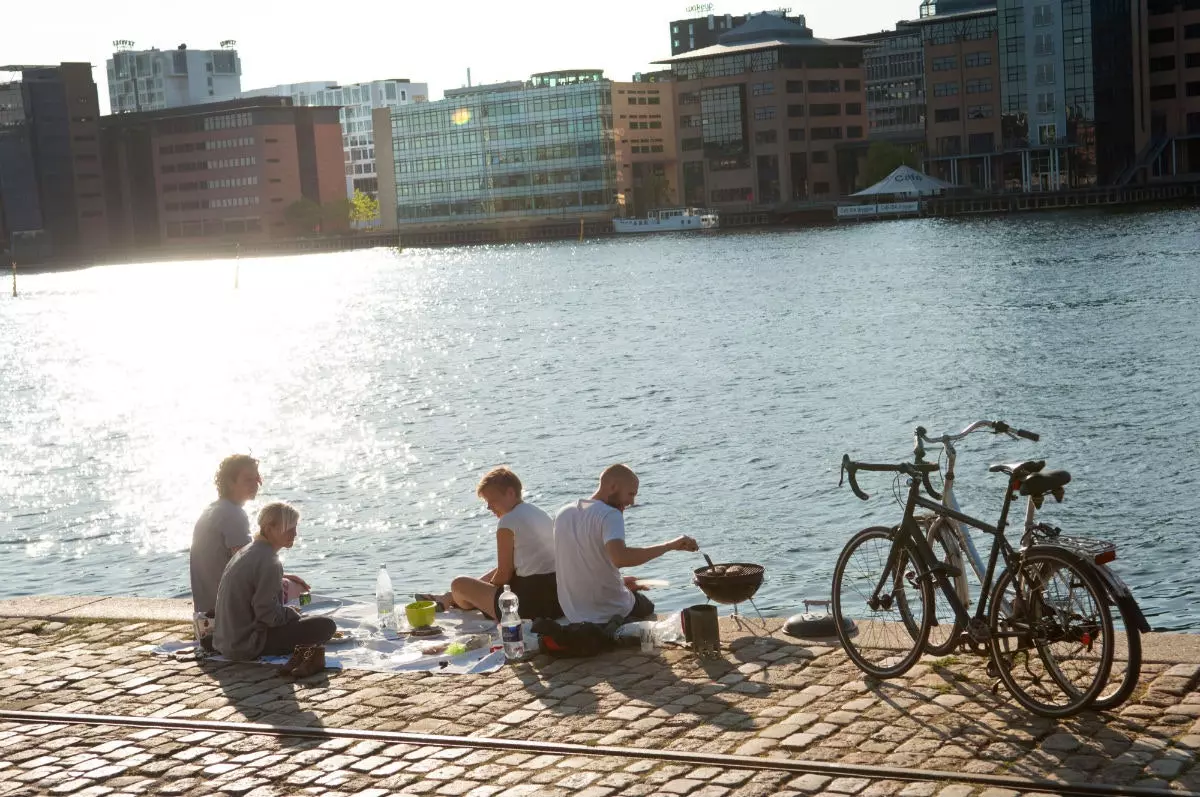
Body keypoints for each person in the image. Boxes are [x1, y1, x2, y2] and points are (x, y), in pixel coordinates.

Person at [554, 464, 698, 624]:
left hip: (573, 612)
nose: (632, 502)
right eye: (630, 494)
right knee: (646, 605)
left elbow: (582, 562)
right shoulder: (610, 514)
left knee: (629, 589)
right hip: (606, 610)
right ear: (613, 486)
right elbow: (621, 559)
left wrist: (620, 581)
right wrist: (669, 546)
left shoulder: (563, 513)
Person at [421, 467, 561, 621]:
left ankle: (451, 598)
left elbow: (504, 574)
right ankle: (448, 598)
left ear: (510, 493)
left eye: (492, 501)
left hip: (526, 606)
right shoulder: (539, 513)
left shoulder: (508, 521)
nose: (488, 507)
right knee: (499, 570)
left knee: (459, 584)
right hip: (556, 599)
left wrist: (488, 591)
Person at [214, 502, 335, 677]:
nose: (295, 533)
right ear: (269, 528)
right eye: (289, 528)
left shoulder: (246, 551)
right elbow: (266, 614)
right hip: (248, 644)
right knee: (325, 625)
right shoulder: (268, 560)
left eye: (295, 528)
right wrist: (291, 614)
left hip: (226, 640)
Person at [190, 455, 308, 618]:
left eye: (256, 478)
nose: (255, 485)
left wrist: (281, 574)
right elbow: (249, 566)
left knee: (286, 583)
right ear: (230, 482)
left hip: (206, 606)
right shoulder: (232, 514)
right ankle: (299, 620)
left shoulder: (213, 510)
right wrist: (281, 577)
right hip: (226, 611)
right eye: (248, 480)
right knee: (299, 590)